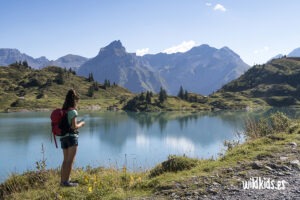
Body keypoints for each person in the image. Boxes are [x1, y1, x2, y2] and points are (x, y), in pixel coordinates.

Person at [60, 89, 85, 187]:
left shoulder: (64, 110)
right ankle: (66, 182)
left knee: (65, 160)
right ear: (74, 100)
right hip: (71, 138)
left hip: (63, 138)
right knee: (70, 161)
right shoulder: (73, 111)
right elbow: (74, 126)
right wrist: (81, 124)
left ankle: (63, 181)